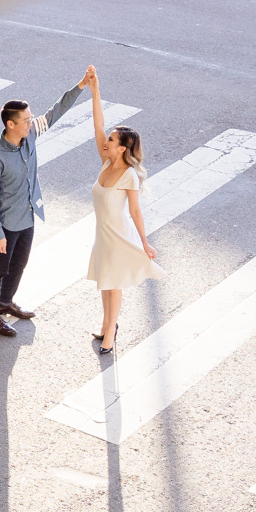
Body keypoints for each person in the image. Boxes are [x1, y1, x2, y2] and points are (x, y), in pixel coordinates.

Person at [0, 65, 97, 337]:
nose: (31, 122)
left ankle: (5, 302)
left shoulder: (30, 135)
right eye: (25, 119)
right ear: (11, 124)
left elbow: (55, 112)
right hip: (6, 223)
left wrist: (81, 85)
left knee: (19, 264)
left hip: (28, 215)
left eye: (30, 118)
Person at [83, 67, 160, 353]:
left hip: (118, 235)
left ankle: (111, 335)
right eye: (109, 139)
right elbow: (97, 124)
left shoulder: (129, 175)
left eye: (112, 140)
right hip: (102, 234)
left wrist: (144, 242)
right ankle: (107, 325)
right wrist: (95, 90)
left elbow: (136, 212)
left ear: (123, 148)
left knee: (113, 284)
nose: (107, 141)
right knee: (105, 281)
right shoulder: (106, 162)